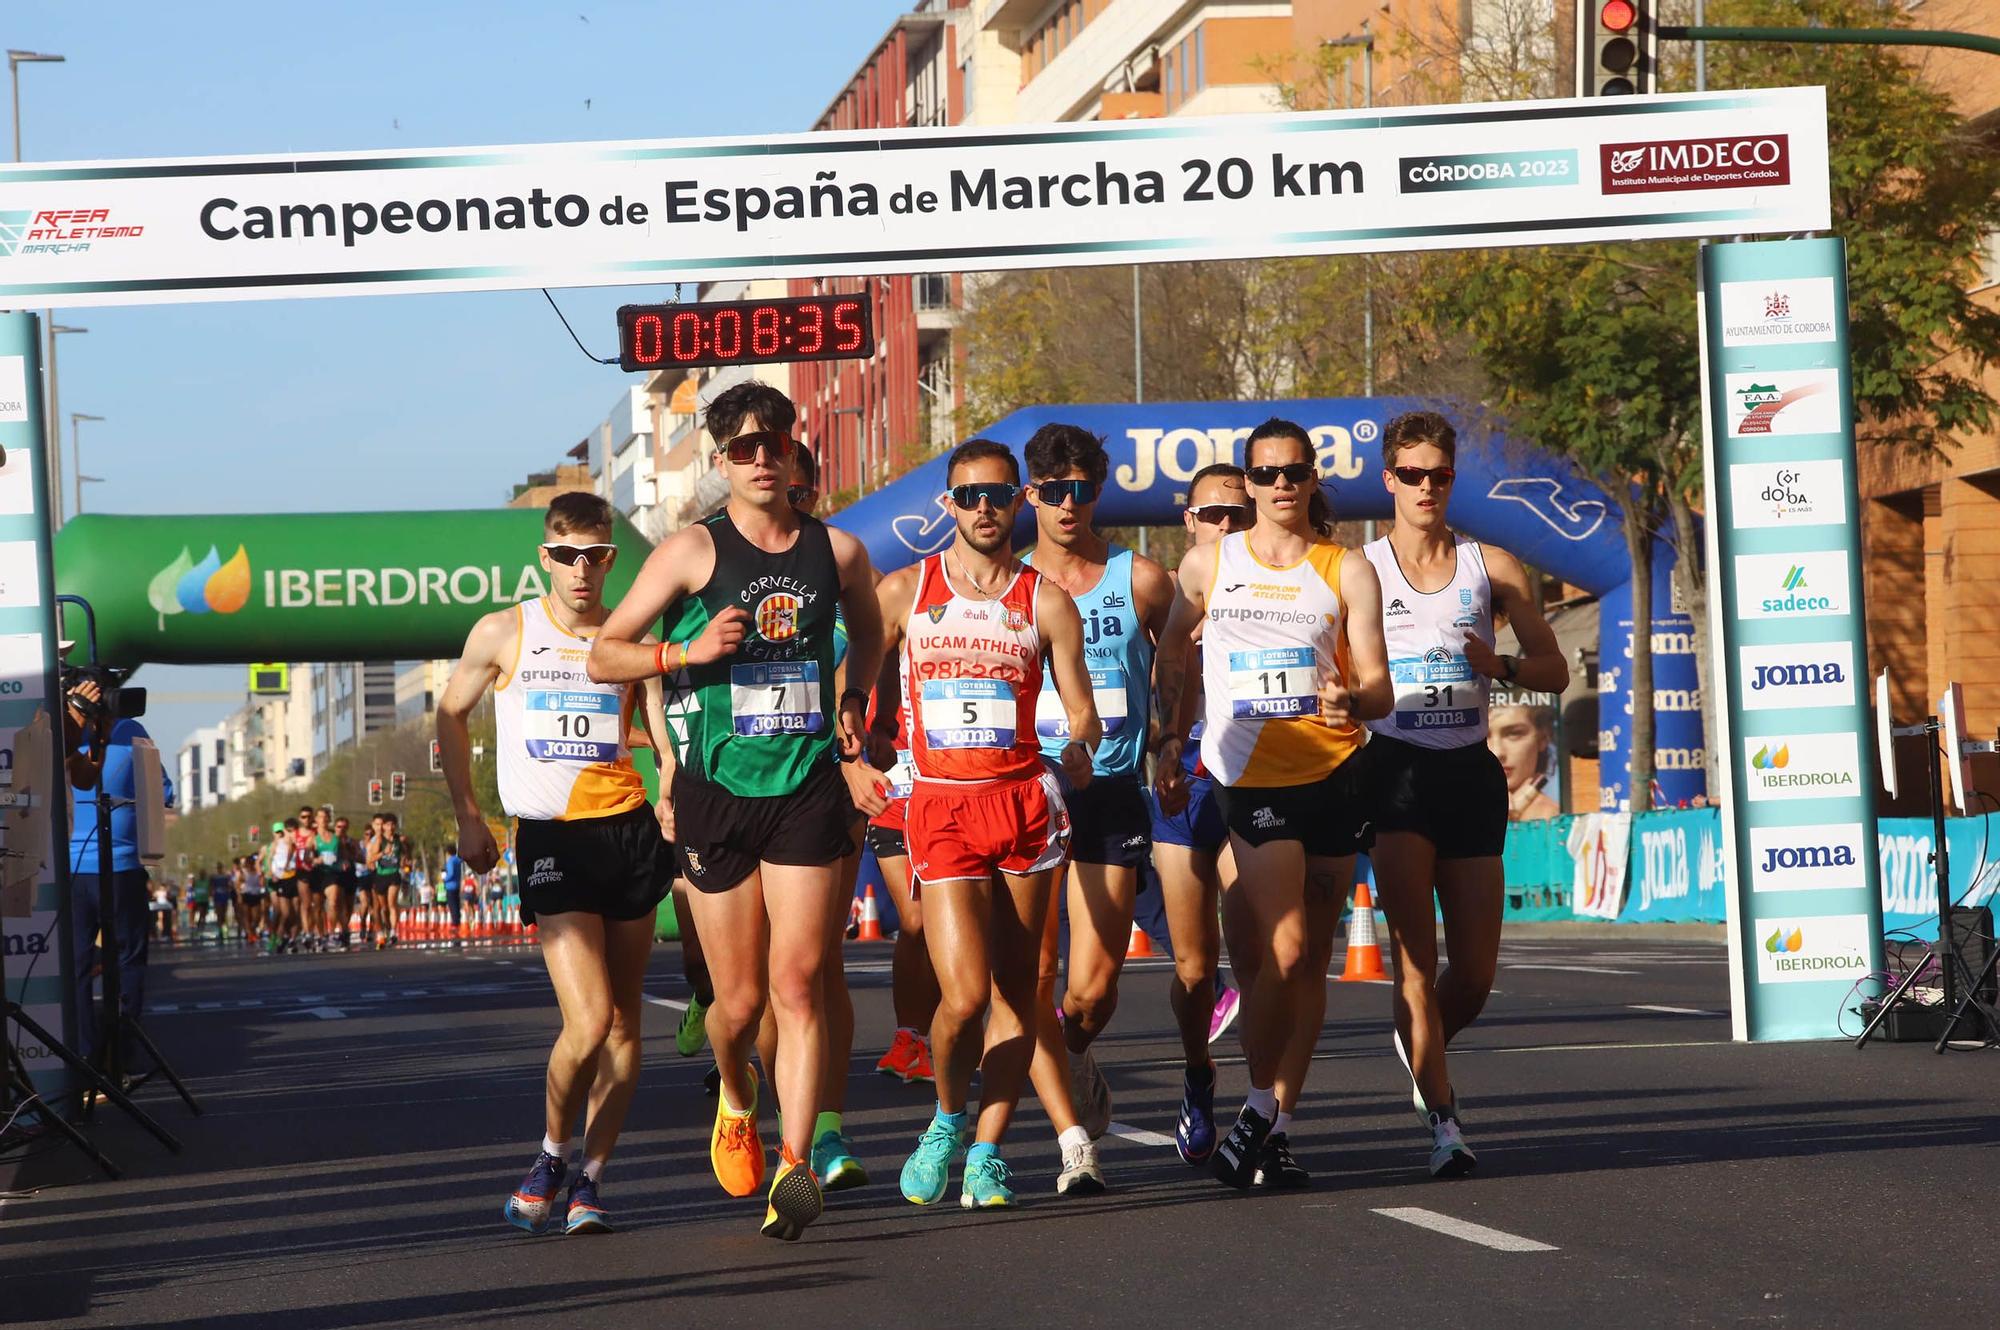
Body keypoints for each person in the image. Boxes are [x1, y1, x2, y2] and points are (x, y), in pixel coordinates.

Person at [588, 382, 885, 1242]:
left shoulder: (841, 552)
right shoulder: (690, 551)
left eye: (774, 442)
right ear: (722, 461)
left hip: (805, 789)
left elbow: (869, 636)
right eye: (744, 447)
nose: (761, 458)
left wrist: (854, 699)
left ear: (794, 449)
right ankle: (735, 1090)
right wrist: (685, 648)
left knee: (799, 985)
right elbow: (609, 655)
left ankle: (794, 1165)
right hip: (717, 797)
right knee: (740, 1002)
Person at [1155, 416, 1392, 1191]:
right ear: (1249, 482)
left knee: (1311, 963)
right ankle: (1257, 1105)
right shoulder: (1206, 565)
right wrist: (1168, 737)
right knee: (1281, 950)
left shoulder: (1347, 568)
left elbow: (1381, 687)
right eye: (1266, 474)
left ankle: (1279, 1123)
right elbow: (1170, 658)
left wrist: (1353, 699)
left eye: (1294, 472)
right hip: (1251, 780)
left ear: (1312, 478)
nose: (1281, 485)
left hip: (1334, 774)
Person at [440, 489, 675, 1237]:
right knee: (591, 1016)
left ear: (611, 558)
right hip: (551, 838)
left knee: (627, 1022)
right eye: (568, 555)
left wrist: (672, 781)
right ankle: (549, 1152)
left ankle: (592, 1180)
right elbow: (450, 712)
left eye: (597, 555)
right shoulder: (506, 631)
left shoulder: (629, 635)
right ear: (546, 557)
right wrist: (468, 814)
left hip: (629, 834)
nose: (582, 569)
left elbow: (659, 726)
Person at [875, 438, 1101, 1210]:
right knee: (964, 997)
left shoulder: (1045, 600)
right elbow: (857, 680)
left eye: (998, 496)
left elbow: (1083, 712)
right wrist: (856, 751)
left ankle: (988, 1150)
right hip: (940, 806)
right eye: (968, 496)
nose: (983, 509)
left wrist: (1077, 747)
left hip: (1023, 808)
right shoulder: (906, 588)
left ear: (1020, 501)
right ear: (948, 503)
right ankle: (944, 1119)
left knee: (1018, 991)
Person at [1359, 410, 1569, 1178]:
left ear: (1452, 480)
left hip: (1469, 773)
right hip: (1397, 771)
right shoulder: (1361, 570)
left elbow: (1556, 671)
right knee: (1415, 962)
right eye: (1410, 475)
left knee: (1474, 975)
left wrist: (1501, 662)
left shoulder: (1494, 567)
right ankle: (1445, 1123)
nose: (1424, 487)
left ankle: (1422, 1042)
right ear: (1389, 480)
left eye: (1438, 475)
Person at [1014, 423, 1173, 1193]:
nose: (1067, 504)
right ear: (1031, 495)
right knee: (1036, 969)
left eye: (1080, 489)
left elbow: (1174, 668)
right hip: (1027, 792)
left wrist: (1169, 739)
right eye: (1052, 491)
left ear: (1097, 491)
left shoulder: (1140, 578)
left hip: (1110, 789)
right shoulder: (1010, 587)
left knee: (1094, 985)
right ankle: (1069, 1134)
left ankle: (1076, 1050)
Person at [1149, 462, 1253, 1166]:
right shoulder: (1181, 581)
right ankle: (1196, 1073)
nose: (1225, 526)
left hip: (1254, 776)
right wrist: (1164, 741)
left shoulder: (1284, 577)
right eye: (1212, 515)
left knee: (1265, 958)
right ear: (1189, 521)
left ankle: (1268, 1113)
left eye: (1237, 515)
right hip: (1184, 776)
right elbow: (1164, 670)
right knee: (1194, 970)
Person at [62, 675, 176, 1072]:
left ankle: (82, 1055)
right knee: (127, 960)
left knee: (74, 964)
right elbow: (162, 792)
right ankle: (122, 1054)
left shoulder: (59, 728)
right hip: (122, 866)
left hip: (71, 871)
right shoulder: (132, 730)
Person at [1489, 700, 1560, 822]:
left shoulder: (1553, 819)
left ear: (1543, 738)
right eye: (1482, 737)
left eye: (1514, 734)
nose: (1497, 752)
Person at [367, 813, 410, 948]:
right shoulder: (379, 840)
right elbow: (370, 859)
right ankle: (382, 931)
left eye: (392, 825)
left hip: (393, 875)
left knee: (392, 903)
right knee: (383, 908)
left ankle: (393, 932)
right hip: (381, 875)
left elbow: (405, 853)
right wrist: (383, 853)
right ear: (383, 827)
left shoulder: (399, 840)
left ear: (395, 826)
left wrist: (404, 860)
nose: (390, 827)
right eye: (387, 825)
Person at [238, 853, 266, 945]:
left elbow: (262, 882)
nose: (251, 864)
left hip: (256, 895)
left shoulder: (258, 871)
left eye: (252, 862)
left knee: (256, 917)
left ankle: (252, 930)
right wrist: (239, 895)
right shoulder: (244, 872)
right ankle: (250, 934)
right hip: (246, 894)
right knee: (246, 916)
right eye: (249, 862)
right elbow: (238, 883)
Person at [441, 842, 466, 942]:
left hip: (450, 886)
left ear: (448, 852)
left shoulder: (450, 861)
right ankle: (457, 921)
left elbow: (450, 873)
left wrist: (445, 879)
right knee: (456, 903)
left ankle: (455, 924)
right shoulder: (457, 860)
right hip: (457, 884)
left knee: (452, 905)